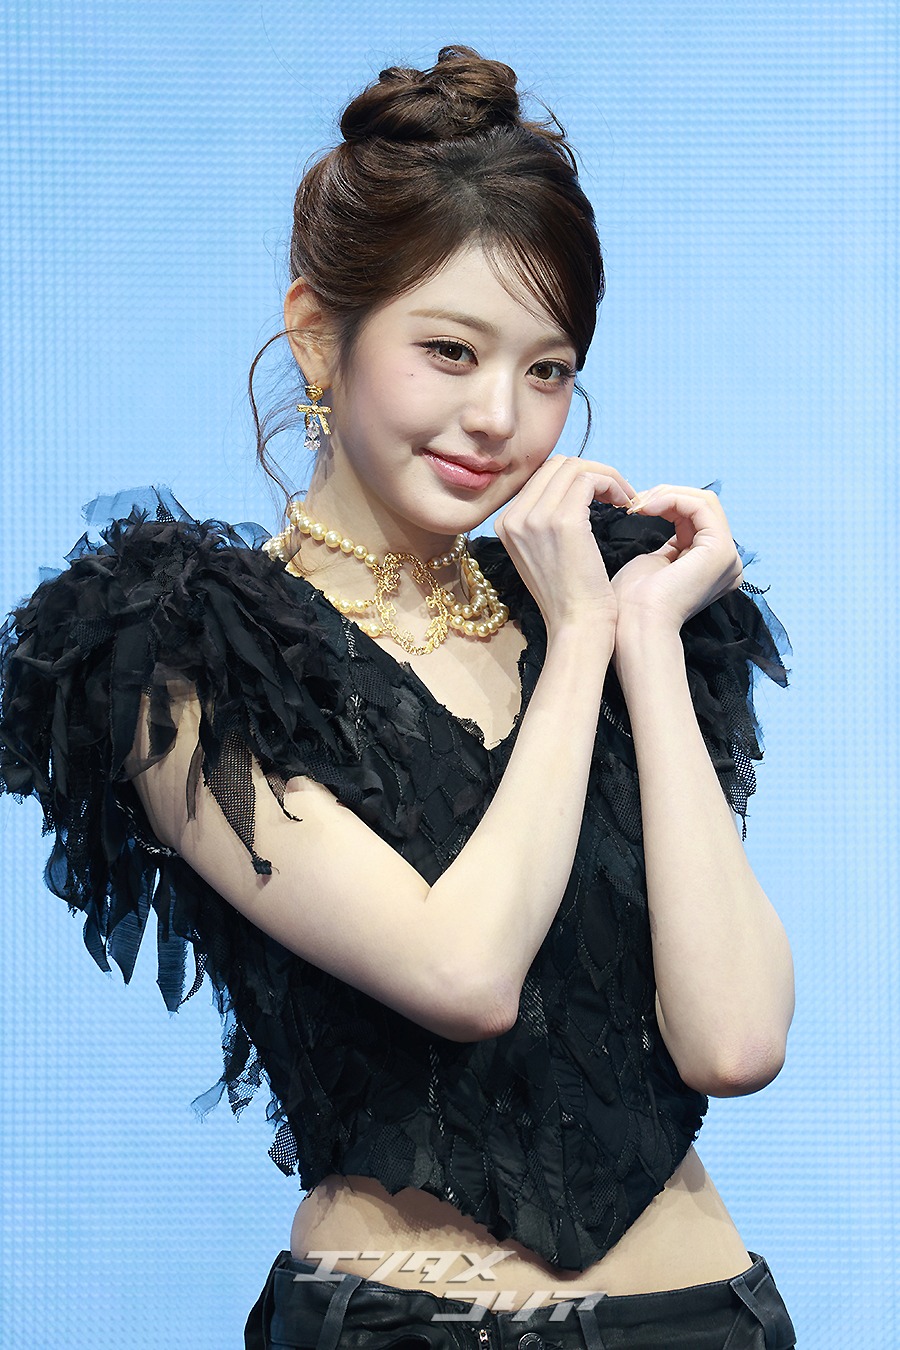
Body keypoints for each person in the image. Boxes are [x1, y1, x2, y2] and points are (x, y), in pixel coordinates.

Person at [0, 45, 797, 1350]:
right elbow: (461, 970)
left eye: (548, 370)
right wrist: (580, 639)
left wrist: (644, 635)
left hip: (702, 1318)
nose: (499, 417)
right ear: (320, 333)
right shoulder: (178, 652)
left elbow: (735, 1040)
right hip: (400, 1324)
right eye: (449, 350)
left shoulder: (606, 609)